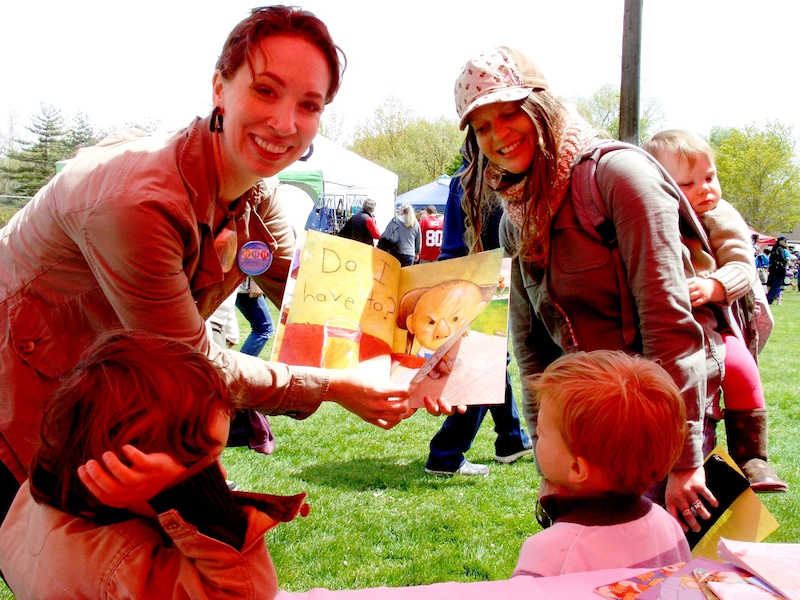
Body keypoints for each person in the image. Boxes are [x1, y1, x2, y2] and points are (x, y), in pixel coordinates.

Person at [0, 6, 428, 525]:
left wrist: (420, 359)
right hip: (19, 401)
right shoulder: (138, 203)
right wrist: (334, 387)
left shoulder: (258, 190)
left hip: (105, 400)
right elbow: (196, 366)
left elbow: (310, 295)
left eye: (309, 104)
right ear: (219, 88)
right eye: (266, 90)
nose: (286, 123)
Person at [454, 46, 722, 529]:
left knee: (671, 571)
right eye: (482, 126)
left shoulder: (620, 176)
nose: (499, 135)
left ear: (542, 107)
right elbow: (531, 347)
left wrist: (685, 457)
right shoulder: (516, 214)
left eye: (511, 113)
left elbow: (669, 325)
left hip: (657, 424)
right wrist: (548, 460)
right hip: (585, 432)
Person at [0, 330, 306, 599]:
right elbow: (248, 592)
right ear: (118, 467)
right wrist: (194, 499)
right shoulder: (121, 567)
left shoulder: (39, 494)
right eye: (198, 468)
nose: (220, 476)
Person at [642, 130, 786, 491]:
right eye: (688, 183)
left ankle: (752, 455)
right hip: (669, 327)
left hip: (716, 321)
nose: (706, 189)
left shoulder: (719, 214)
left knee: (739, 366)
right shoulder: (650, 215)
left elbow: (742, 265)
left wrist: (714, 286)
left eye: (710, 177)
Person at [511, 351, 691, 578]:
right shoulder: (666, 525)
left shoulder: (550, 552)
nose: (536, 432)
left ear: (577, 469)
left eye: (543, 432)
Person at [425, 167, 532, 477]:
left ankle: (512, 439)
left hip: (495, 277)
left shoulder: (468, 177)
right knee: (488, 363)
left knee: (496, 360)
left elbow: (452, 247)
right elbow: (455, 246)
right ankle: (445, 453)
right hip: (486, 278)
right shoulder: (473, 178)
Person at [766, 237, 792, 304]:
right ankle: (769, 299)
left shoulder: (774, 249)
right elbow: (782, 259)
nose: (786, 243)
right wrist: (787, 261)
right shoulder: (780, 249)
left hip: (773, 269)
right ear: (781, 242)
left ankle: (770, 299)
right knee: (776, 286)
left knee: (772, 285)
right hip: (779, 270)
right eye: (785, 241)